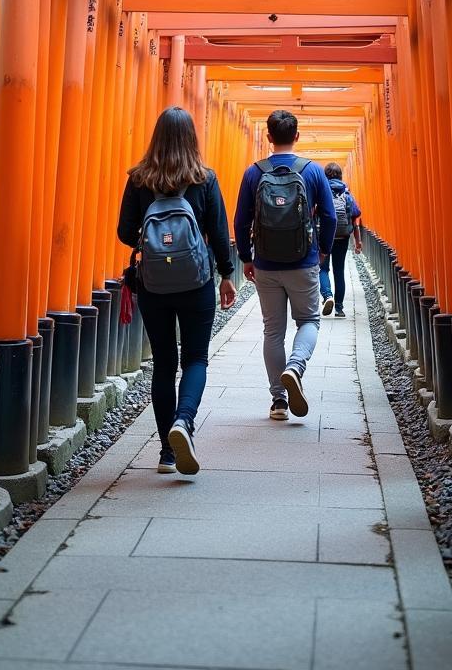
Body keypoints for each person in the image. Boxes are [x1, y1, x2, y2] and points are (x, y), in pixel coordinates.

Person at [117, 107, 236, 476]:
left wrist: (151, 237)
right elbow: (219, 233)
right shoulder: (204, 178)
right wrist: (226, 275)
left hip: (153, 284)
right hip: (196, 282)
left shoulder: (139, 178)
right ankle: (184, 421)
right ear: (191, 139)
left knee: (164, 364)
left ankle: (167, 454)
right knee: (196, 358)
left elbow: (124, 232)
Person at [233, 109, 336, 421]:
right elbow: (330, 217)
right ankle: (296, 366)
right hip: (304, 260)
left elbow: (240, 220)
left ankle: (278, 401)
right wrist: (322, 253)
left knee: (273, 330)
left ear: (268, 137)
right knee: (309, 321)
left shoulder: (254, 173)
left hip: (265, 263)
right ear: (296, 136)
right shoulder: (313, 171)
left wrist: (246, 259)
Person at [318, 162, 363, 318]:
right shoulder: (346, 193)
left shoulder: (321, 191)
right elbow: (355, 216)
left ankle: (327, 296)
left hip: (324, 237)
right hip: (342, 237)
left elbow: (312, 214)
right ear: (340, 176)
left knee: (323, 269)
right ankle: (339, 308)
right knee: (339, 271)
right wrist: (358, 241)